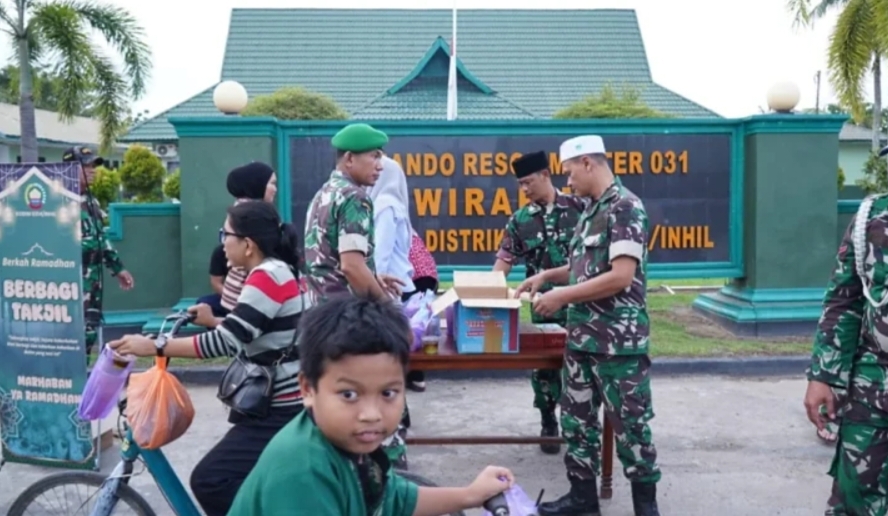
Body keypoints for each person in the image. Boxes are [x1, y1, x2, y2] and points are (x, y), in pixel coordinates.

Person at [227, 295, 515, 516]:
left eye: (388, 393)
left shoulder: (350, 442)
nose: (371, 414)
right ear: (307, 389)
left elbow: (395, 499)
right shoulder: (302, 472)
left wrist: (470, 495)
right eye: (349, 395)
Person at [109, 200, 308, 516]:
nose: (222, 242)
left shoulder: (267, 276)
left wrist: (154, 346)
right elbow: (250, 328)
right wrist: (212, 319)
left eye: (225, 234)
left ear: (248, 244)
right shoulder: (275, 270)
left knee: (210, 480)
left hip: (281, 408)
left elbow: (224, 342)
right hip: (277, 401)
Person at [515, 135, 660, 516]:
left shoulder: (625, 207)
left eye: (569, 173)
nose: (567, 182)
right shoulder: (592, 210)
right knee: (577, 424)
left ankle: (646, 507)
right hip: (581, 338)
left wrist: (562, 297)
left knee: (631, 428)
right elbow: (584, 268)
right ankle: (583, 500)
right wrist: (547, 276)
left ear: (588, 164)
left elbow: (620, 276)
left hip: (617, 344)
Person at [804, 142, 888, 515]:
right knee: (854, 497)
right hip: (873, 384)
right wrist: (823, 376)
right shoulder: (872, 218)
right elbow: (844, 299)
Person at [493, 150, 584, 455]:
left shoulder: (580, 208)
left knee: (581, 368)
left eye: (528, 182)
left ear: (546, 175)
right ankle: (548, 420)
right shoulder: (521, 220)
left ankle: (580, 428)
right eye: (520, 184)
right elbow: (504, 261)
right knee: (545, 370)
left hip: (581, 305)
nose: (524, 189)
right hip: (544, 308)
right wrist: (487, 290)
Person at [304, 122, 404, 305]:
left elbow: (329, 261)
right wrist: (386, 308)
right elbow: (351, 266)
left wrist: (372, 277)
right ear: (349, 158)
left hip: (319, 311)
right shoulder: (355, 197)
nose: (380, 166)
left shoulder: (324, 193)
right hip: (345, 313)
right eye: (374, 156)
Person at [62, 146, 134, 362]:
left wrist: (118, 268)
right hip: (69, 283)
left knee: (89, 331)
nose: (92, 170)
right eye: (86, 166)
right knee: (69, 336)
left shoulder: (91, 201)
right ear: (70, 169)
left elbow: (101, 238)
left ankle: (83, 374)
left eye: (93, 166)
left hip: (92, 281)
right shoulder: (59, 201)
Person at [220, 161, 278, 312]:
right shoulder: (251, 215)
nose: (275, 189)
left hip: (236, 291)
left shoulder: (239, 209)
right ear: (257, 184)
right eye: (272, 183)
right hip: (244, 293)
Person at [405, 229, 439, 392]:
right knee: (417, 324)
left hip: (415, 277)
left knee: (413, 325)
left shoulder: (382, 217)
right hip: (426, 274)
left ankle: (415, 375)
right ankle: (415, 376)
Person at [196, 244, 230, 318]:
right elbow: (216, 283)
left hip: (251, 299)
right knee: (202, 305)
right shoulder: (221, 251)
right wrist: (231, 297)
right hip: (230, 297)